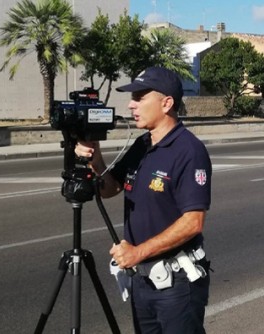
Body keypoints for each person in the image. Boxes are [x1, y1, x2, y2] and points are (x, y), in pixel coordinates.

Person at [74, 66, 212, 334]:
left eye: (139, 97)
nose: (131, 105)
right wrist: (95, 157)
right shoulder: (142, 145)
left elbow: (193, 222)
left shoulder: (189, 151)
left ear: (166, 103)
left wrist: (138, 252)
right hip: (142, 280)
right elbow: (109, 188)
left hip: (176, 285)